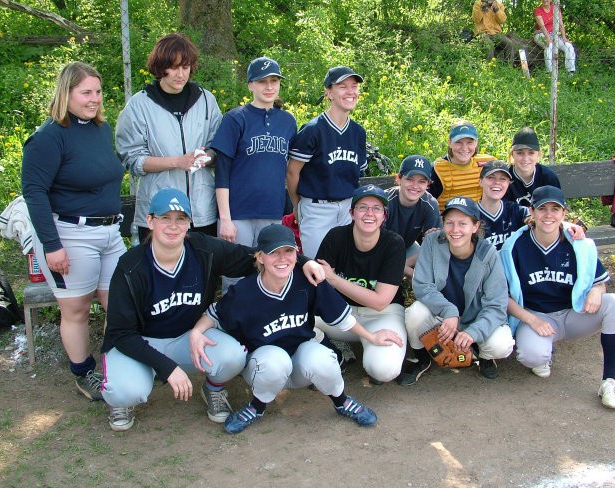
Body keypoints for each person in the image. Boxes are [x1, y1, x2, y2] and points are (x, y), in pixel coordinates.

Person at [100, 189, 326, 431]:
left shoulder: (202, 249)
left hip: (188, 338)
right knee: (124, 391)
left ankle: (212, 389)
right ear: (150, 221)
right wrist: (168, 369)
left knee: (233, 356)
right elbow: (120, 333)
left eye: (181, 219)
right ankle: (123, 399)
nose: (173, 226)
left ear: (189, 223)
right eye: (165, 218)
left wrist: (304, 261)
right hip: (141, 341)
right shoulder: (131, 266)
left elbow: (258, 256)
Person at [198, 224, 401, 433]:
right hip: (264, 368)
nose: (282, 258)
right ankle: (256, 407)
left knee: (321, 356)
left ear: (296, 254)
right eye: (273, 253)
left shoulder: (307, 281)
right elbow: (214, 315)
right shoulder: (244, 293)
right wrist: (196, 332)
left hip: (300, 364)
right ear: (260, 257)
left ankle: (342, 402)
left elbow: (340, 317)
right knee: (274, 359)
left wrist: (371, 337)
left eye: (288, 251)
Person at [21, 61, 127, 401]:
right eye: (86, 92)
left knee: (122, 303)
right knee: (77, 309)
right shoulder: (48, 137)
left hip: (111, 233)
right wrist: (52, 246)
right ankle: (84, 373)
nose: (94, 99)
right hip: (70, 234)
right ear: (65, 93)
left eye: (97, 91)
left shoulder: (99, 129)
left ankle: (121, 364)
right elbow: (34, 192)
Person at [501, 186, 615, 409]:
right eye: (542, 209)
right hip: (537, 316)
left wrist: (596, 291)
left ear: (564, 213)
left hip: (575, 314)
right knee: (532, 357)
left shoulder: (578, 243)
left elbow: (600, 282)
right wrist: (532, 320)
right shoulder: (514, 247)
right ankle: (545, 351)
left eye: (555, 209)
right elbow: (504, 296)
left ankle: (609, 381)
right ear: (531, 211)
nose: (549, 215)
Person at [115, 32, 222, 242]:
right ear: (160, 67)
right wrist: (177, 161)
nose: (180, 74)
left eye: (185, 67)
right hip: (159, 212)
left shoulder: (206, 100)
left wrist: (204, 159)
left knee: (204, 272)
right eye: (173, 67)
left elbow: (218, 148)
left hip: (201, 212)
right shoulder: (139, 105)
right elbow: (132, 159)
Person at [400, 196, 514, 385]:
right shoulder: (432, 242)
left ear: (475, 227)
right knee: (415, 313)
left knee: (502, 345)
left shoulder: (488, 253)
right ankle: (421, 358)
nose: (455, 230)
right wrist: (449, 311)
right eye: (450, 223)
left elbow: (496, 304)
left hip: (475, 318)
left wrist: (474, 332)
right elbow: (422, 285)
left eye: (463, 223)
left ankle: (482, 355)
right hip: (442, 317)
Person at [210, 57, 297, 293]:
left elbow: (291, 170)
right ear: (250, 85)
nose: (269, 87)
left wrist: (294, 209)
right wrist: (225, 218)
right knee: (236, 274)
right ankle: (232, 324)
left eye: (274, 81)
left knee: (272, 272)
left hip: (272, 211)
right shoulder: (235, 118)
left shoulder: (288, 121)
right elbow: (222, 171)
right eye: (262, 82)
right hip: (238, 213)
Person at [315, 185, 407, 384]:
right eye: (362, 207)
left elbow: (380, 302)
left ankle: (367, 345)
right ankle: (334, 348)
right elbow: (317, 283)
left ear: (384, 216)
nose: (369, 214)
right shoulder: (336, 236)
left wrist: (334, 279)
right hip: (342, 314)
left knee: (383, 370)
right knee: (296, 321)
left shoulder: (393, 243)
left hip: (382, 316)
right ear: (352, 213)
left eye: (377, 209)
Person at [287, 66, 368, 258]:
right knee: (317, 266)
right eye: (342, 86)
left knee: (345, 267)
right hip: (317, 209)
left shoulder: (358, 132)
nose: (350, 92)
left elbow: (357, 176)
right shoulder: (313, 129)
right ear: (329, 92)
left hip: (348, 208)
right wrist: (297, 205)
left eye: (354, 86)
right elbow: (292, 172)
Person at [385, 155, 442, 279]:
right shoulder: (385, 202)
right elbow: (372, 244)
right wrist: (413, 274)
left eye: (422, 181)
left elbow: (432, 245)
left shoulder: (430, 204)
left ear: (428, 184)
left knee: (432, 262)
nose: (415, 186)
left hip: (407, 248)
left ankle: (418, 295)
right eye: (410, 179)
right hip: (381, 249)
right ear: (399, 179)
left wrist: (401, 267)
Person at [429, 120, 495, 213]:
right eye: (459, 142)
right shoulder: (436, 169)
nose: (464, 148)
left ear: (476, 143)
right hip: (445, 222)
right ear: (449, 142)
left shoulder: (488, 163)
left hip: (477, 221)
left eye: (469, 142)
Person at [478, 160, 530, 250]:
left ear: (508, 183)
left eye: (503, 179)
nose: (497, 182)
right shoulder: (470, 214)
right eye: (491, 177)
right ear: (480, 182)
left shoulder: (517, 211)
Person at [504, 127, 560, 207]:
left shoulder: (548, 177)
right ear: (512, 154)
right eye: (520, 153)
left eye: (531, 153)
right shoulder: (505, 177)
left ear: (539, 154)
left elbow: (556, 208)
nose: (525, 159)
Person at [534, 0, 576, 74]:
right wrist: (548, 39)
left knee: (568, 46)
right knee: (549, 46)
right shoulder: (538, 10)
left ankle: (570, 71)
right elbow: (542, 27)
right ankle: (550, 72)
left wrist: (564, 37)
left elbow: (561, 24)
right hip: (541, 34)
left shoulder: (555, 8)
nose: (545, 0)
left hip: (554, 34)